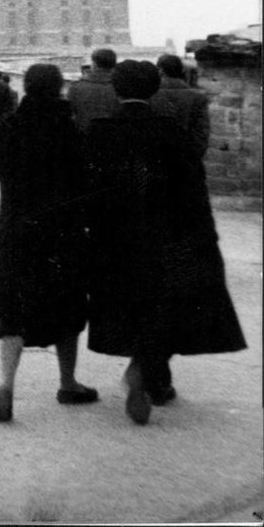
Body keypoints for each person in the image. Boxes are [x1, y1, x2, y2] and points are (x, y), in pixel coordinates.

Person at [84, 60, 245, 425]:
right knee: (167, 306)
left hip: (116, 241)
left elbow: (87, 191)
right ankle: (149, 377)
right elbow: (193, 191)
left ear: (116, 89)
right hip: (167, 237)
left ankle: (148, 377)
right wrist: (205, 235)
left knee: (129, 305)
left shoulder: (99, 133)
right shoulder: (171, 133)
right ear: (155, 90)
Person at [0, 63, 96, 423]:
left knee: (13, 308)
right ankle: (67, 383)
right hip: (62, 232)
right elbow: (85, 178)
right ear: (60, 87)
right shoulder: (70, 127)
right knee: (68, 305)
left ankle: (7, 386)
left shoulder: (11, 126)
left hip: (15, 229)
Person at [150, 54, 211, 161]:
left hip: (156, 160)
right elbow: (202, 134)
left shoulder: (150, 96)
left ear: (160, 71)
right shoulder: (198, 98)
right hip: (187, 159)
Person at [67, 47, 120, 133]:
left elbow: (71, 113)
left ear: (94, 64)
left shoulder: (76, 87)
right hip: (115, 136)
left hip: (85, 135)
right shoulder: (120, 87)